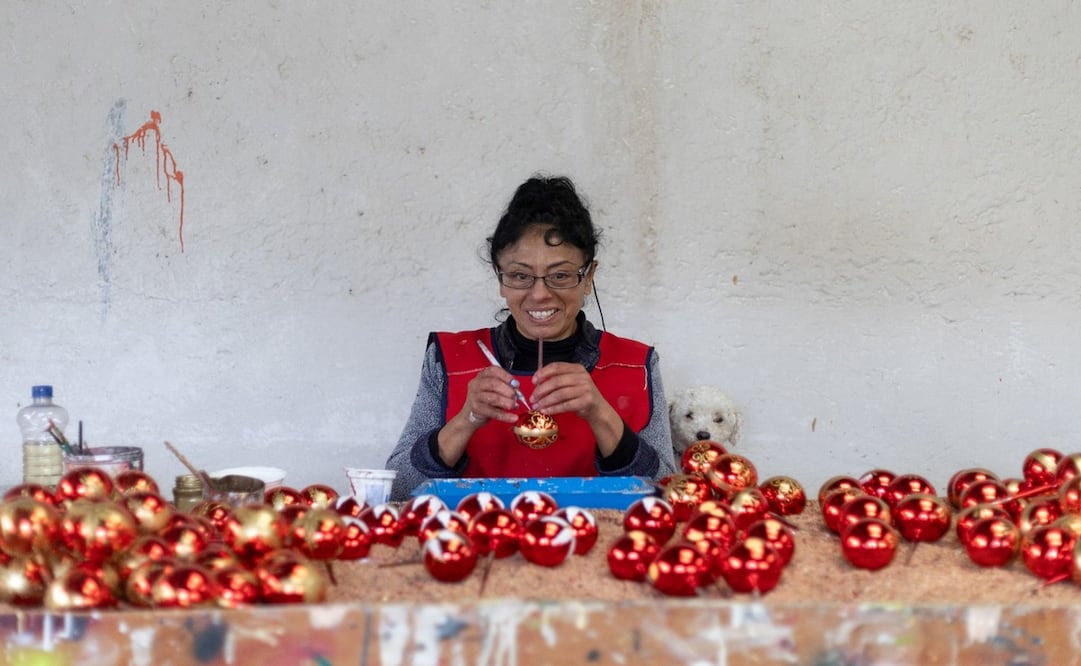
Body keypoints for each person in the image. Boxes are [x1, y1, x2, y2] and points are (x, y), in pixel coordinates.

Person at [386, 175, 677, 500]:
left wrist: (600, 413)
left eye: (561, 275)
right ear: (500, 277)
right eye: (520, 276)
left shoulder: (633, 364)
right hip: (476, 548)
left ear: (589, 277)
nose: (539, 294)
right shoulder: (453, 359)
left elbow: (671, 495)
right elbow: (397, 490)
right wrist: (465, 420)